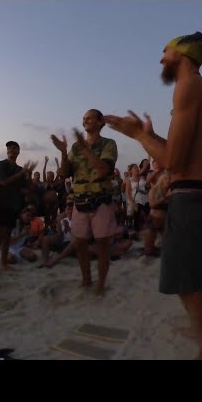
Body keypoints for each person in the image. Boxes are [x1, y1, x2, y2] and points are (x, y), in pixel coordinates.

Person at [105, 31, 202, 360]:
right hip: (200, 195)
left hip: (192, 198)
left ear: (181, 53)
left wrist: (139, 135)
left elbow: (172, 161)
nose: (160, 58)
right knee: (191, 281)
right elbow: (183, 149)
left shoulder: (190, 87)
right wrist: (148, 133)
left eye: (165, 51)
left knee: (189, 287)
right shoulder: (201, 88)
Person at [51, 109, 118, 296]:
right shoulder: (75, 148)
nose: (84, 121)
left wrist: (85, 148)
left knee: (102, 245)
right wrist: (64, 152)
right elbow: (65, 173)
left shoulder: (108, 144)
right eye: (83, 119)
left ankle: (101, 284)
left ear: (100, 122)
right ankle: (86, 280)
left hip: (101, 201)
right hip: (80, 202)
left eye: (89, 118)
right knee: (79, 243)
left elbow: (104, 169)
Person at [0, 141, 37, 274]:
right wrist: (23, 173)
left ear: (18, 151)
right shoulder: (1, 164)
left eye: (14, 147)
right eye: (9, 147)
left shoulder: (19, 169)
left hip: (13, 205)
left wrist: (28, 174)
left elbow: (27, 189)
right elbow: (3, 182)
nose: (11, 149)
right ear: (7, 151)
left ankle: (3, 263)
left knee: (7, 235)